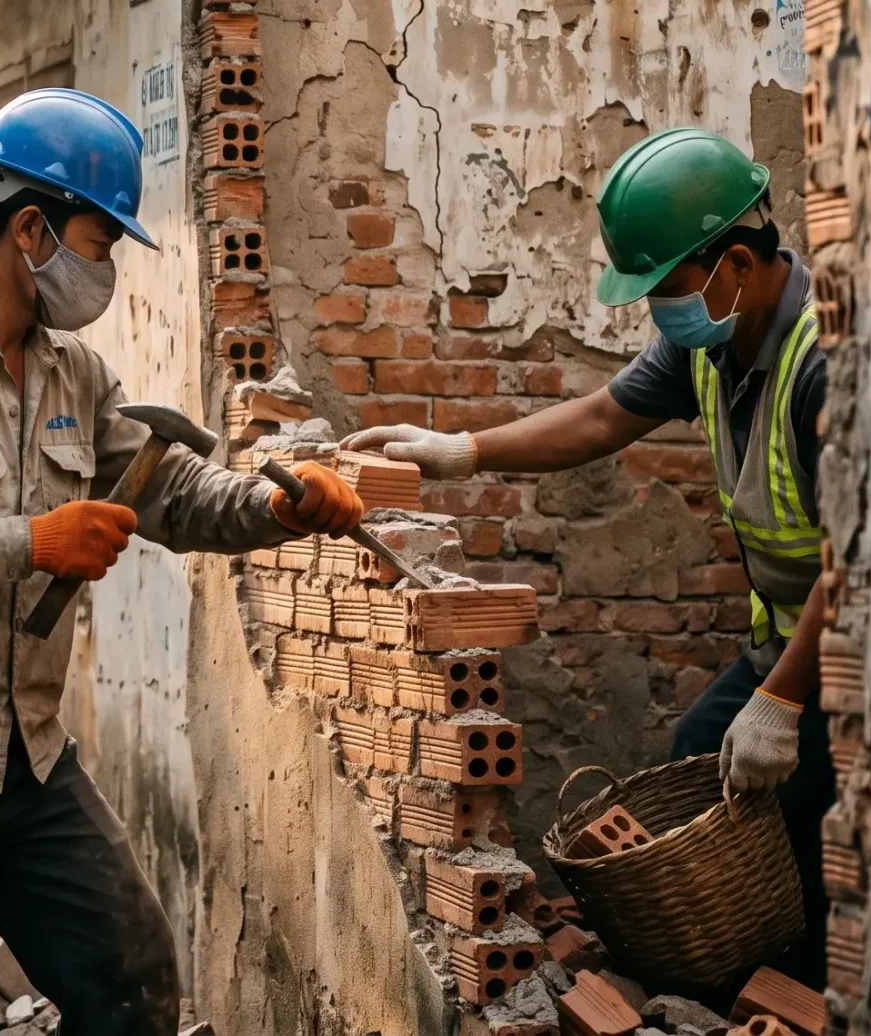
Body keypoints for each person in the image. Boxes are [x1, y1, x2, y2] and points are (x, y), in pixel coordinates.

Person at [0, 88, 369, 1036]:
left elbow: (171, 492)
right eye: (100, 245)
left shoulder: (74, 376)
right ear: (30, 228)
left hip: (24, 761)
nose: (107, 274)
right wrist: (33, 541)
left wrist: (277, 504)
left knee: (132, 980)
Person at [339, 125, 835, 982]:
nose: (662, 314)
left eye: (672, 288)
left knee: (816, 833)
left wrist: (784, 701)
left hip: (851, 657)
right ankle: (750, 979)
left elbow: (856, 560)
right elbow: (605, 417)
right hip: (781, 644)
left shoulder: (822, 363)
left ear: (740, 264)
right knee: (699, 747)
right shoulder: (711, 340)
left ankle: (819, 985)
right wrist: (458, 451)